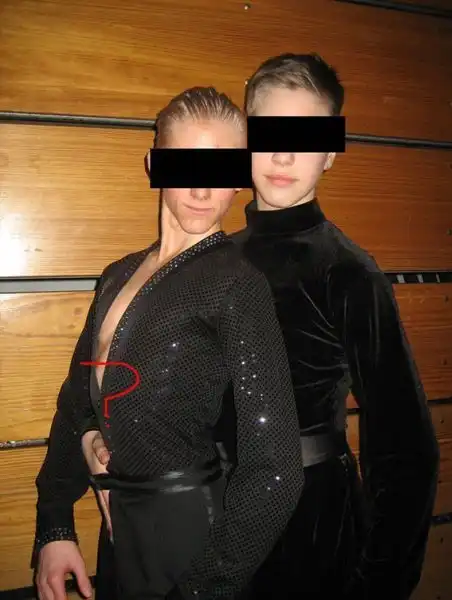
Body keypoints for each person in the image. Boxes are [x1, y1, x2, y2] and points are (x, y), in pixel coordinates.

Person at [87, 53, 440, 600]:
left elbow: (405, 449)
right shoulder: (206, 257)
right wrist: (100, 444)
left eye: (307, 137)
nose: (283, 154)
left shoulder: (347, 271)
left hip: (310, 530)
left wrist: (379, 584)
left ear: (331, 154)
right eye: (270, 133)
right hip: (204, 515)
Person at [32, 86, 304, 600]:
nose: (202, 189)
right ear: (155, 165)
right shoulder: (118, 275)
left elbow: (276, 470)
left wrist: (206, 588)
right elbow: (76, 402)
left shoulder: (236, 284)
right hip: (121, 529)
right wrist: (56, 524)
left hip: (191, 543)